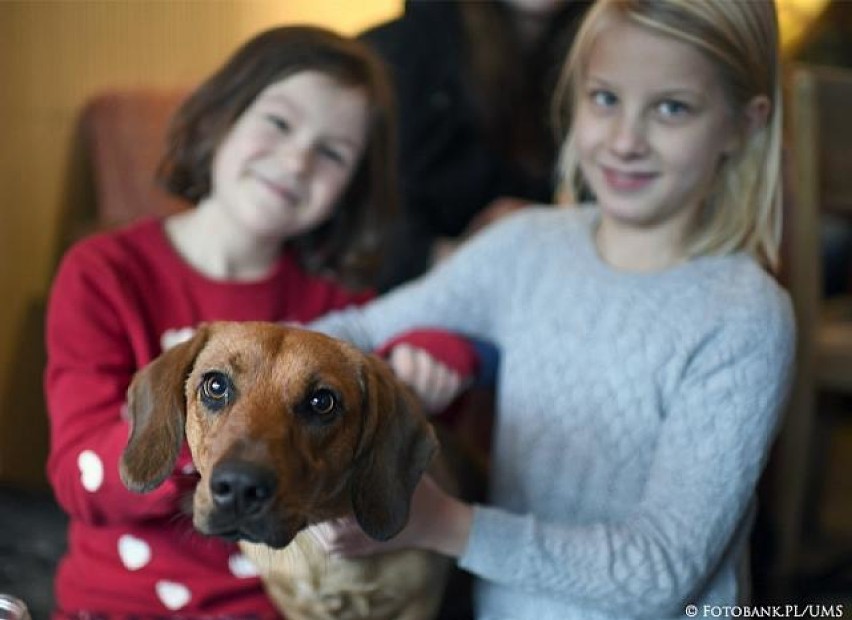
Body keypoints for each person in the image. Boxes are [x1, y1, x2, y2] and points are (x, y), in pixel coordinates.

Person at [309, 0, 796, 617]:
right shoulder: (528, 247)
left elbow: (662, 569)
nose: (625, 140)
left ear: (744, 125)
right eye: (605, 99)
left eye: (672, 108)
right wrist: (226, 373)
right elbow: (355, 330)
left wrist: (446, 525)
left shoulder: (744, 315)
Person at [44, 25, 473, 618]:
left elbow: (392, 407)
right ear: (221, 117)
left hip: (273, 606)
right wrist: (188, 437)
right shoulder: (105, 273)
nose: (296, 160)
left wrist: (439, 350)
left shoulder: (338, 296)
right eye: (278, 122)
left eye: (332, 152)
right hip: (122, 601)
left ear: (350, 185)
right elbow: (76, 473)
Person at [361, 0, 591, 289]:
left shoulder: (600, 53)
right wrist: (454, 255)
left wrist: (543, 225)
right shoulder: (401, 48)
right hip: (396, 296)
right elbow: (349, 215)